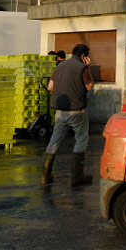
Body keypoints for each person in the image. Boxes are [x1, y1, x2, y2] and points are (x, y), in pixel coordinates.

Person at [41, 44, 95, 187]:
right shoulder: (81, 67)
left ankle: (45, 176)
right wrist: (88, 68)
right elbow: (89, 87)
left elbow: (50, 87)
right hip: (77, 111)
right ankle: (77, 177)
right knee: (81, 139)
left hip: (60, 112)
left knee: (54, 141)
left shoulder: (59, 66)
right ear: (83, 56)